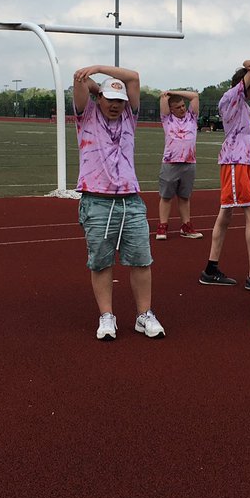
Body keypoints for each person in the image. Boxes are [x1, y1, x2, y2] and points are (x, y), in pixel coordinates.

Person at [72, 64, 165, 342]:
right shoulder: (85, 116)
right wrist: (96, 85)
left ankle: (144, 315)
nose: (115, 106)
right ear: (99, 98)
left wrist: (100, 70)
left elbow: (134, 78)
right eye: (110, 100)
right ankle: (106, 316)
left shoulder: (129, 118)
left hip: (130, 201)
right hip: (97, 201)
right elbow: (80, 79)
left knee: (141, 260)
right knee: (100, 263)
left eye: (120, 101)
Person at [199, 59, 250, 290]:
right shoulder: (231, 98)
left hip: (240, 161)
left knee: (225, 216)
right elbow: (246, 78)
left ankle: (210, 268)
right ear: (244, 84)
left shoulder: (243, 105)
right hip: (234, 162)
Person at [155, 89, 204, 240]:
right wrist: (166, 95)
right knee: (166, 196)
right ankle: (162, 226)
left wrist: (173, 91)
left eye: (183, 106)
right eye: (178, 107)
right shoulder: (167, 119)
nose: (182, 109)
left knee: (184, 197)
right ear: (171, 110)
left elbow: (195, 96)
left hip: (189, 163)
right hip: (171, 163)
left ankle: (186, 226)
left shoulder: (192, 117)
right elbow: (163, 99)